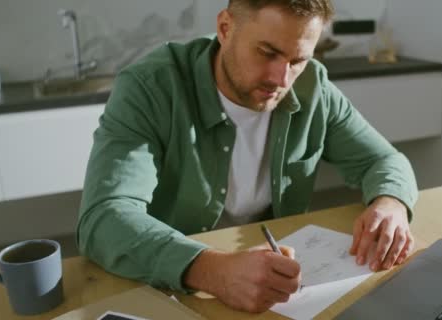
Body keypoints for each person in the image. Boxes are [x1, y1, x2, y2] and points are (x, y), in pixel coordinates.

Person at [77, 0, 418, 313]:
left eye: (297, 60)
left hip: (276, 294)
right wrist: (210, 270)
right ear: (225, 28)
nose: (280, 79)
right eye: (267, 52)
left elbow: (384, 161)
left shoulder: (314, 87)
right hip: (174, 294)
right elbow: (104, 217)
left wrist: (391, 204)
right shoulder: (150, 87)